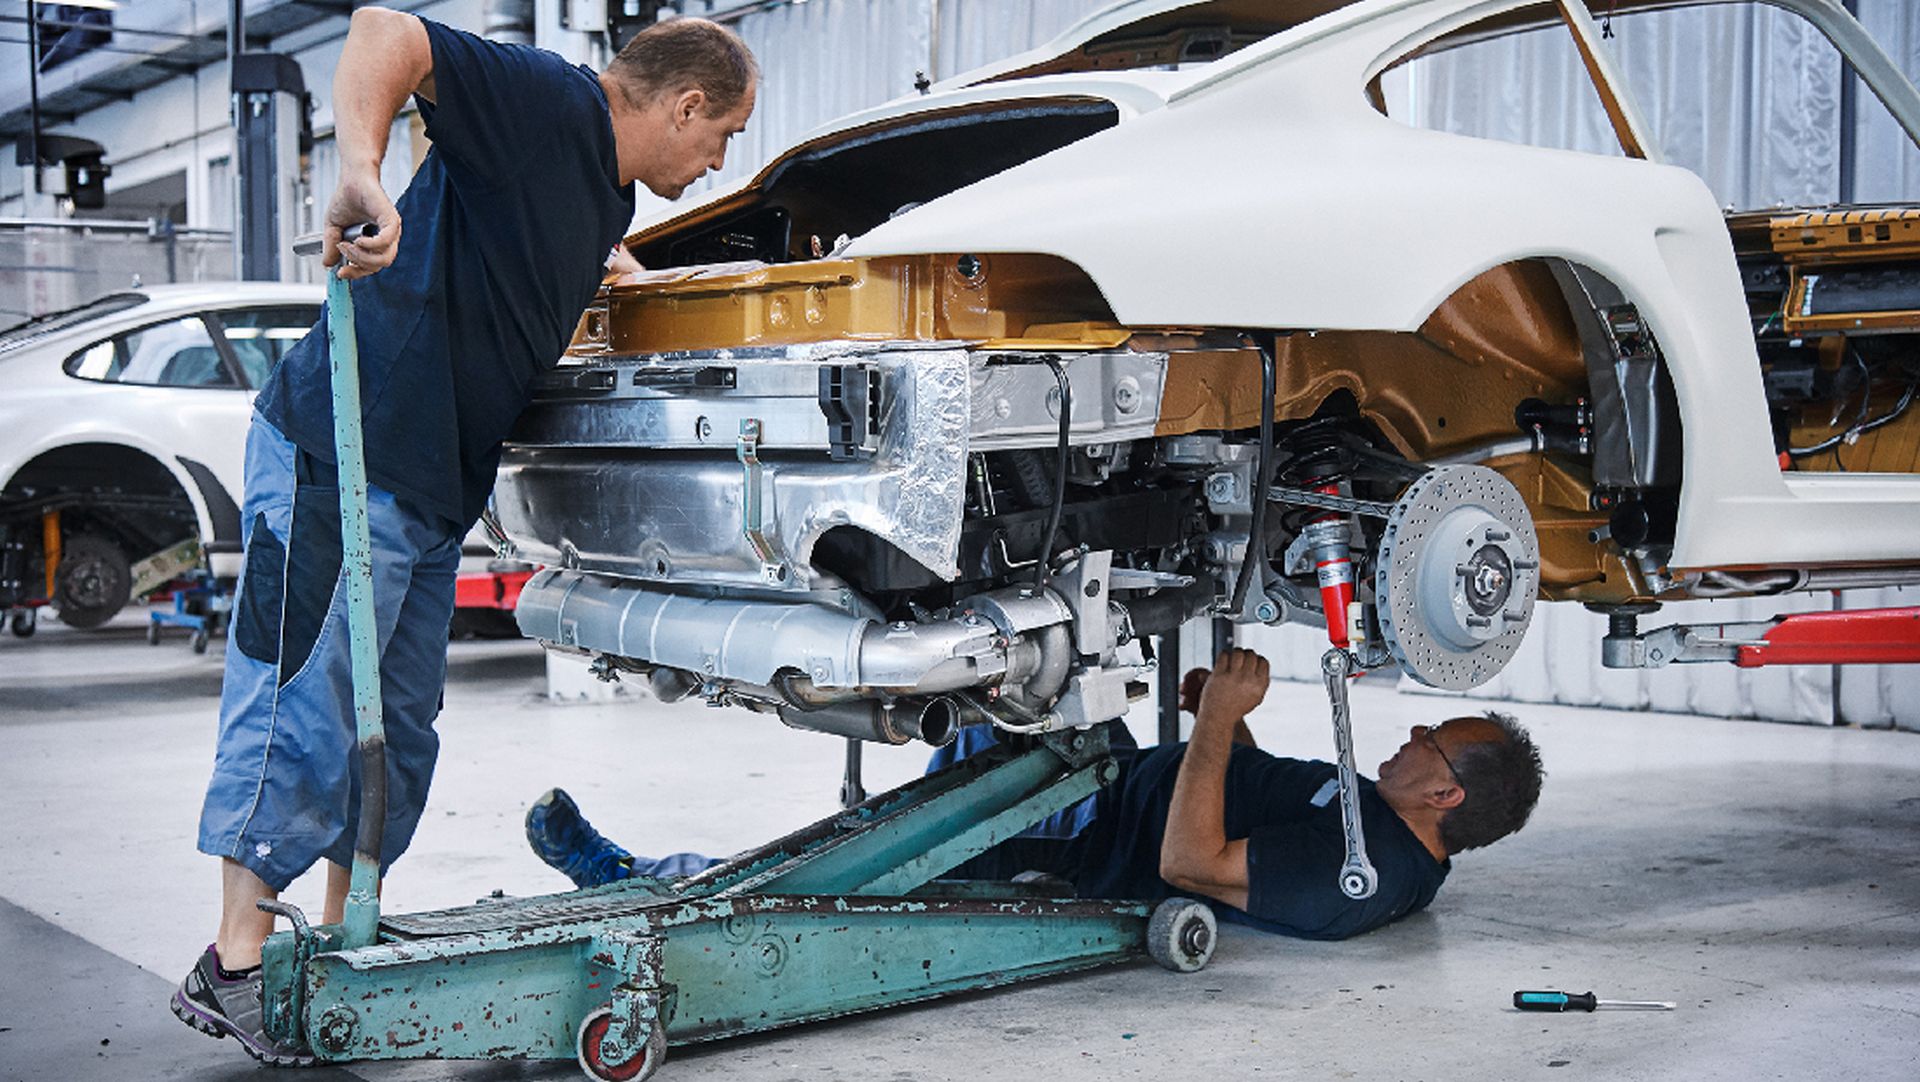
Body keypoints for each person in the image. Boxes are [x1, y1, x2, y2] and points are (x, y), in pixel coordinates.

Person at [170, 8, 757, 1064]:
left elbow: (515, 257)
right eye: (722, 139)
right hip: (347, 447)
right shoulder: (550, 100)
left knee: (397, 723)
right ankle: (237, 959)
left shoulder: (599, 192)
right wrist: (362, 170)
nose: (717, 164)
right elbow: (384, 33)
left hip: (431, 487)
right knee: (305, 692)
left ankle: (350, 936)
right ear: (686, 103)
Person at [527, 649, 1545, 942]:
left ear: (1447, 793)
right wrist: (1217, 721)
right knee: (985, 662)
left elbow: (1192, 864)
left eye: (1430, 741)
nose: (1410, 734)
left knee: (856, 864)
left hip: (1072, 831)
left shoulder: (1364, 878)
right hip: (1097, 774)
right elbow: (1248, 795)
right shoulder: (1382, 819)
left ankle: (642, 883)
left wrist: (1220, 726)